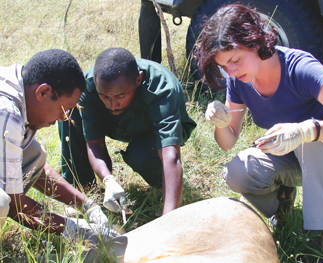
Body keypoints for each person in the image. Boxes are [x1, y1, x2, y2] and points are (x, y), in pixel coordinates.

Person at [196, 3, 323, 261]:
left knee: (311, 141)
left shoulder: (300, 67)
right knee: (238, 172)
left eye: (235, 60)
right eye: (224, 66)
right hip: (300, 156)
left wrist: (308, 129)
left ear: (255, 42)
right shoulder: (240, 80)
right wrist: (220, 123)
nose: (231, 72)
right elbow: (228, 141)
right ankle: (283, 207)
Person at [59, 47, 196, 215]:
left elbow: (170, 155)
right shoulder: (89, 85)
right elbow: (95, 144)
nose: (111, 104)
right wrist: (108, 181)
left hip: (152, 129)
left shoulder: (162, 88)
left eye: (120, 97)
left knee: (141, 155)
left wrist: (169, 218)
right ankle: (83, 189)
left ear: (138, 80)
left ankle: (165, 184)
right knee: (69, 112)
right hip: (116, 124)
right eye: (104, 97)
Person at [0, 49, 118, 244]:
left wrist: (88, 206)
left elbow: (37, 170)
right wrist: (73, 229)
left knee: (34, 155)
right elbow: (14, 204)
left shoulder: (24, 85)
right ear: (43, 92)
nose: (64, 118)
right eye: (64, 109)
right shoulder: (7, 112)